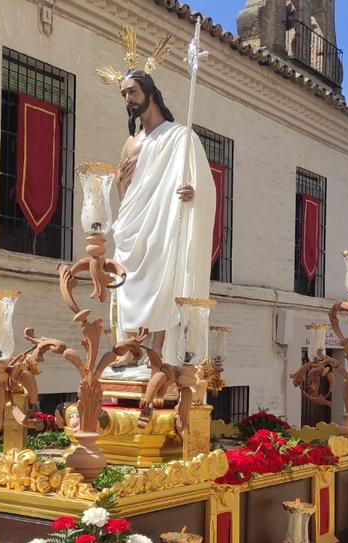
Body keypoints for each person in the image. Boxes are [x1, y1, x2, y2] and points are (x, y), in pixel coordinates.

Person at [104, 46, 216, 366]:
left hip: (164, 221)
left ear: (149, 92)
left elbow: (204, 187)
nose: (128, 99)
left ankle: (158, 351)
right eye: (124, 93)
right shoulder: (131, 142)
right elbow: (126, 192)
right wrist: (120, 184)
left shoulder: (180, 137)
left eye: (133, 92)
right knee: (127, 284)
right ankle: (129, 348)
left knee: (161, 282)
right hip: (133, 225)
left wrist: (193, 192)